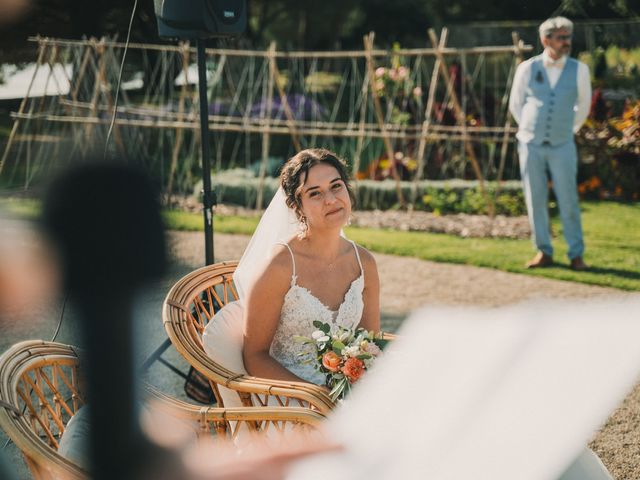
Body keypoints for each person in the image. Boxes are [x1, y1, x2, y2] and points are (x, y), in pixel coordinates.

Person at [238, 148, 380, 384]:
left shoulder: (364, 263)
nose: (331, 200)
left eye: (336, 186)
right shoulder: (280, 266)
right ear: (297, 206)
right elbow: (254, 357)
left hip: (343, 394)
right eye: (315, 193)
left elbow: (369, 344)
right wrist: (315, 398)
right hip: (289, 398)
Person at [509, 16, 591, 271]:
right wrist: (530, 129)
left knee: (568, 200)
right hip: (530, 143)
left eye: (568, 37)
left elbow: (583, 106)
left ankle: (576, 254)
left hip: (562, 143)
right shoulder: (527, 68)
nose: (566, 42)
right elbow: (516, 103)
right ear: (546, 40)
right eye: (561, 37)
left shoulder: (579, 69)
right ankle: (543, 251)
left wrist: (567, 128)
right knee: (535, 198)